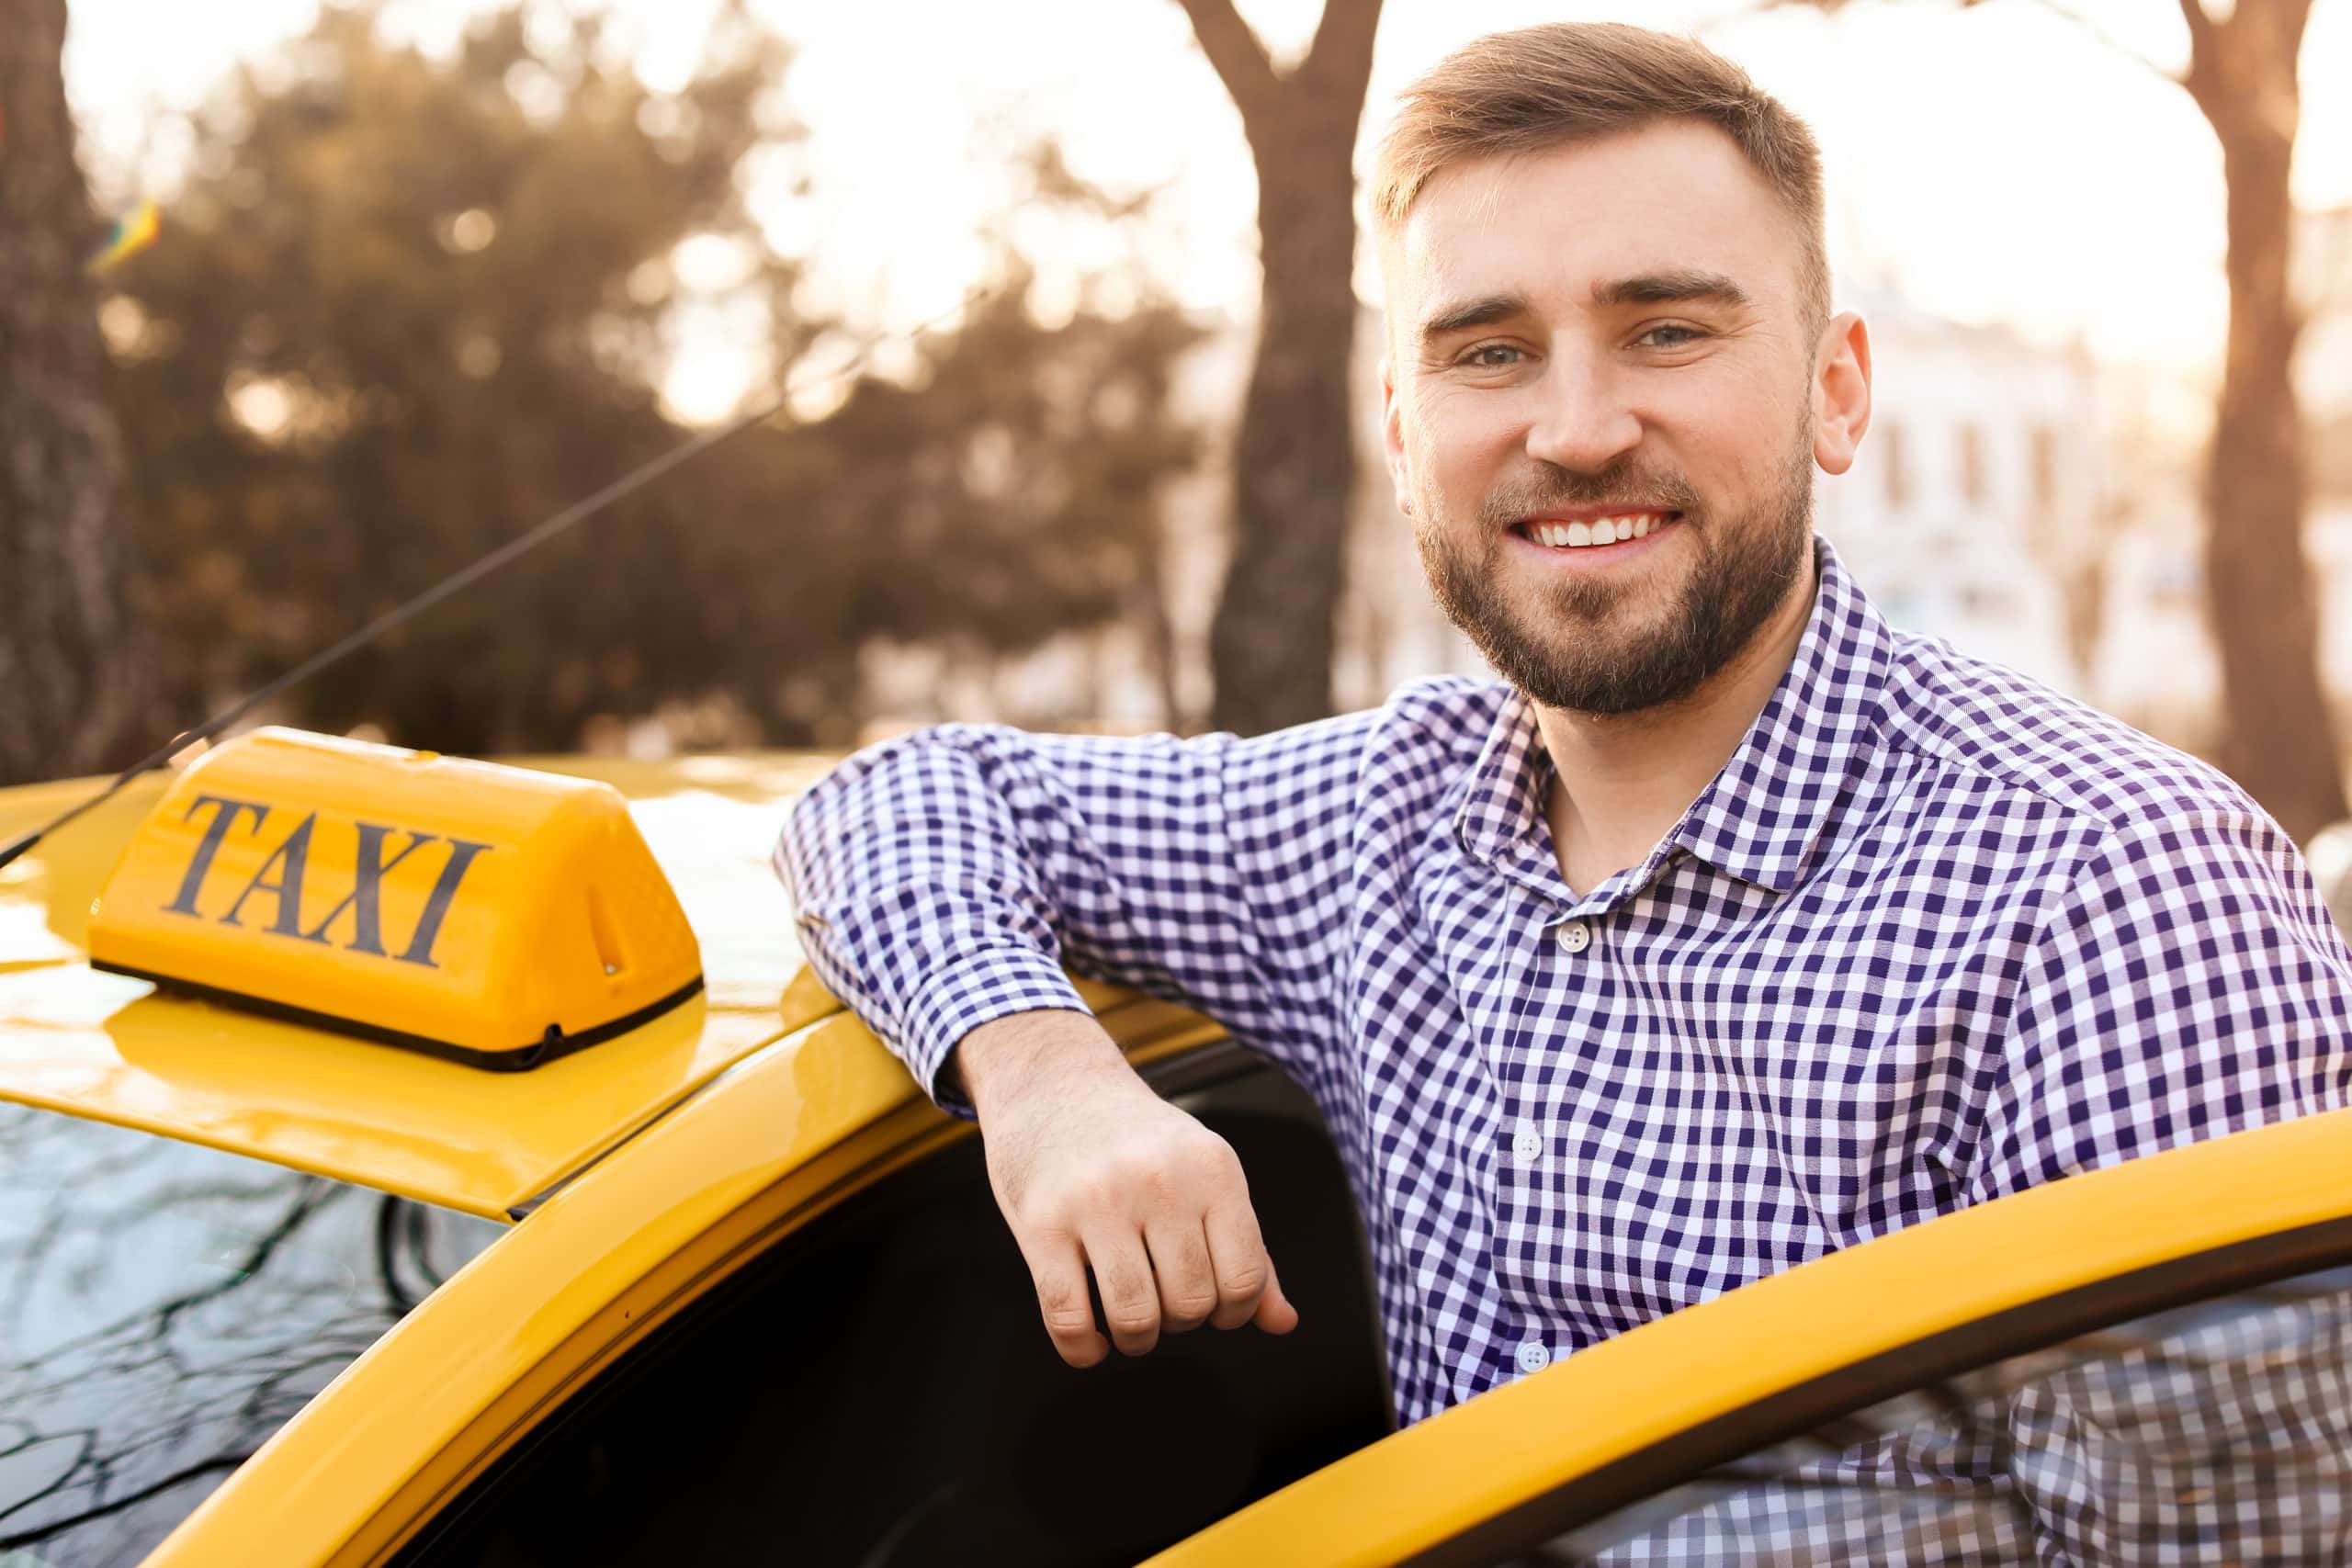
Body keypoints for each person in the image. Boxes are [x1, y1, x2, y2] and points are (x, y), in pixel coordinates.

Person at [776, 22, 2352, 1434]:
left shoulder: (2119, 900)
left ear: (1836, 391)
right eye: (1489, 352)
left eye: (1667, 331)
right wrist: (1041, 1071)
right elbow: (897, 800)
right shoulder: (1374, 822)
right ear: (1404, 433)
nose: (1579, 429)